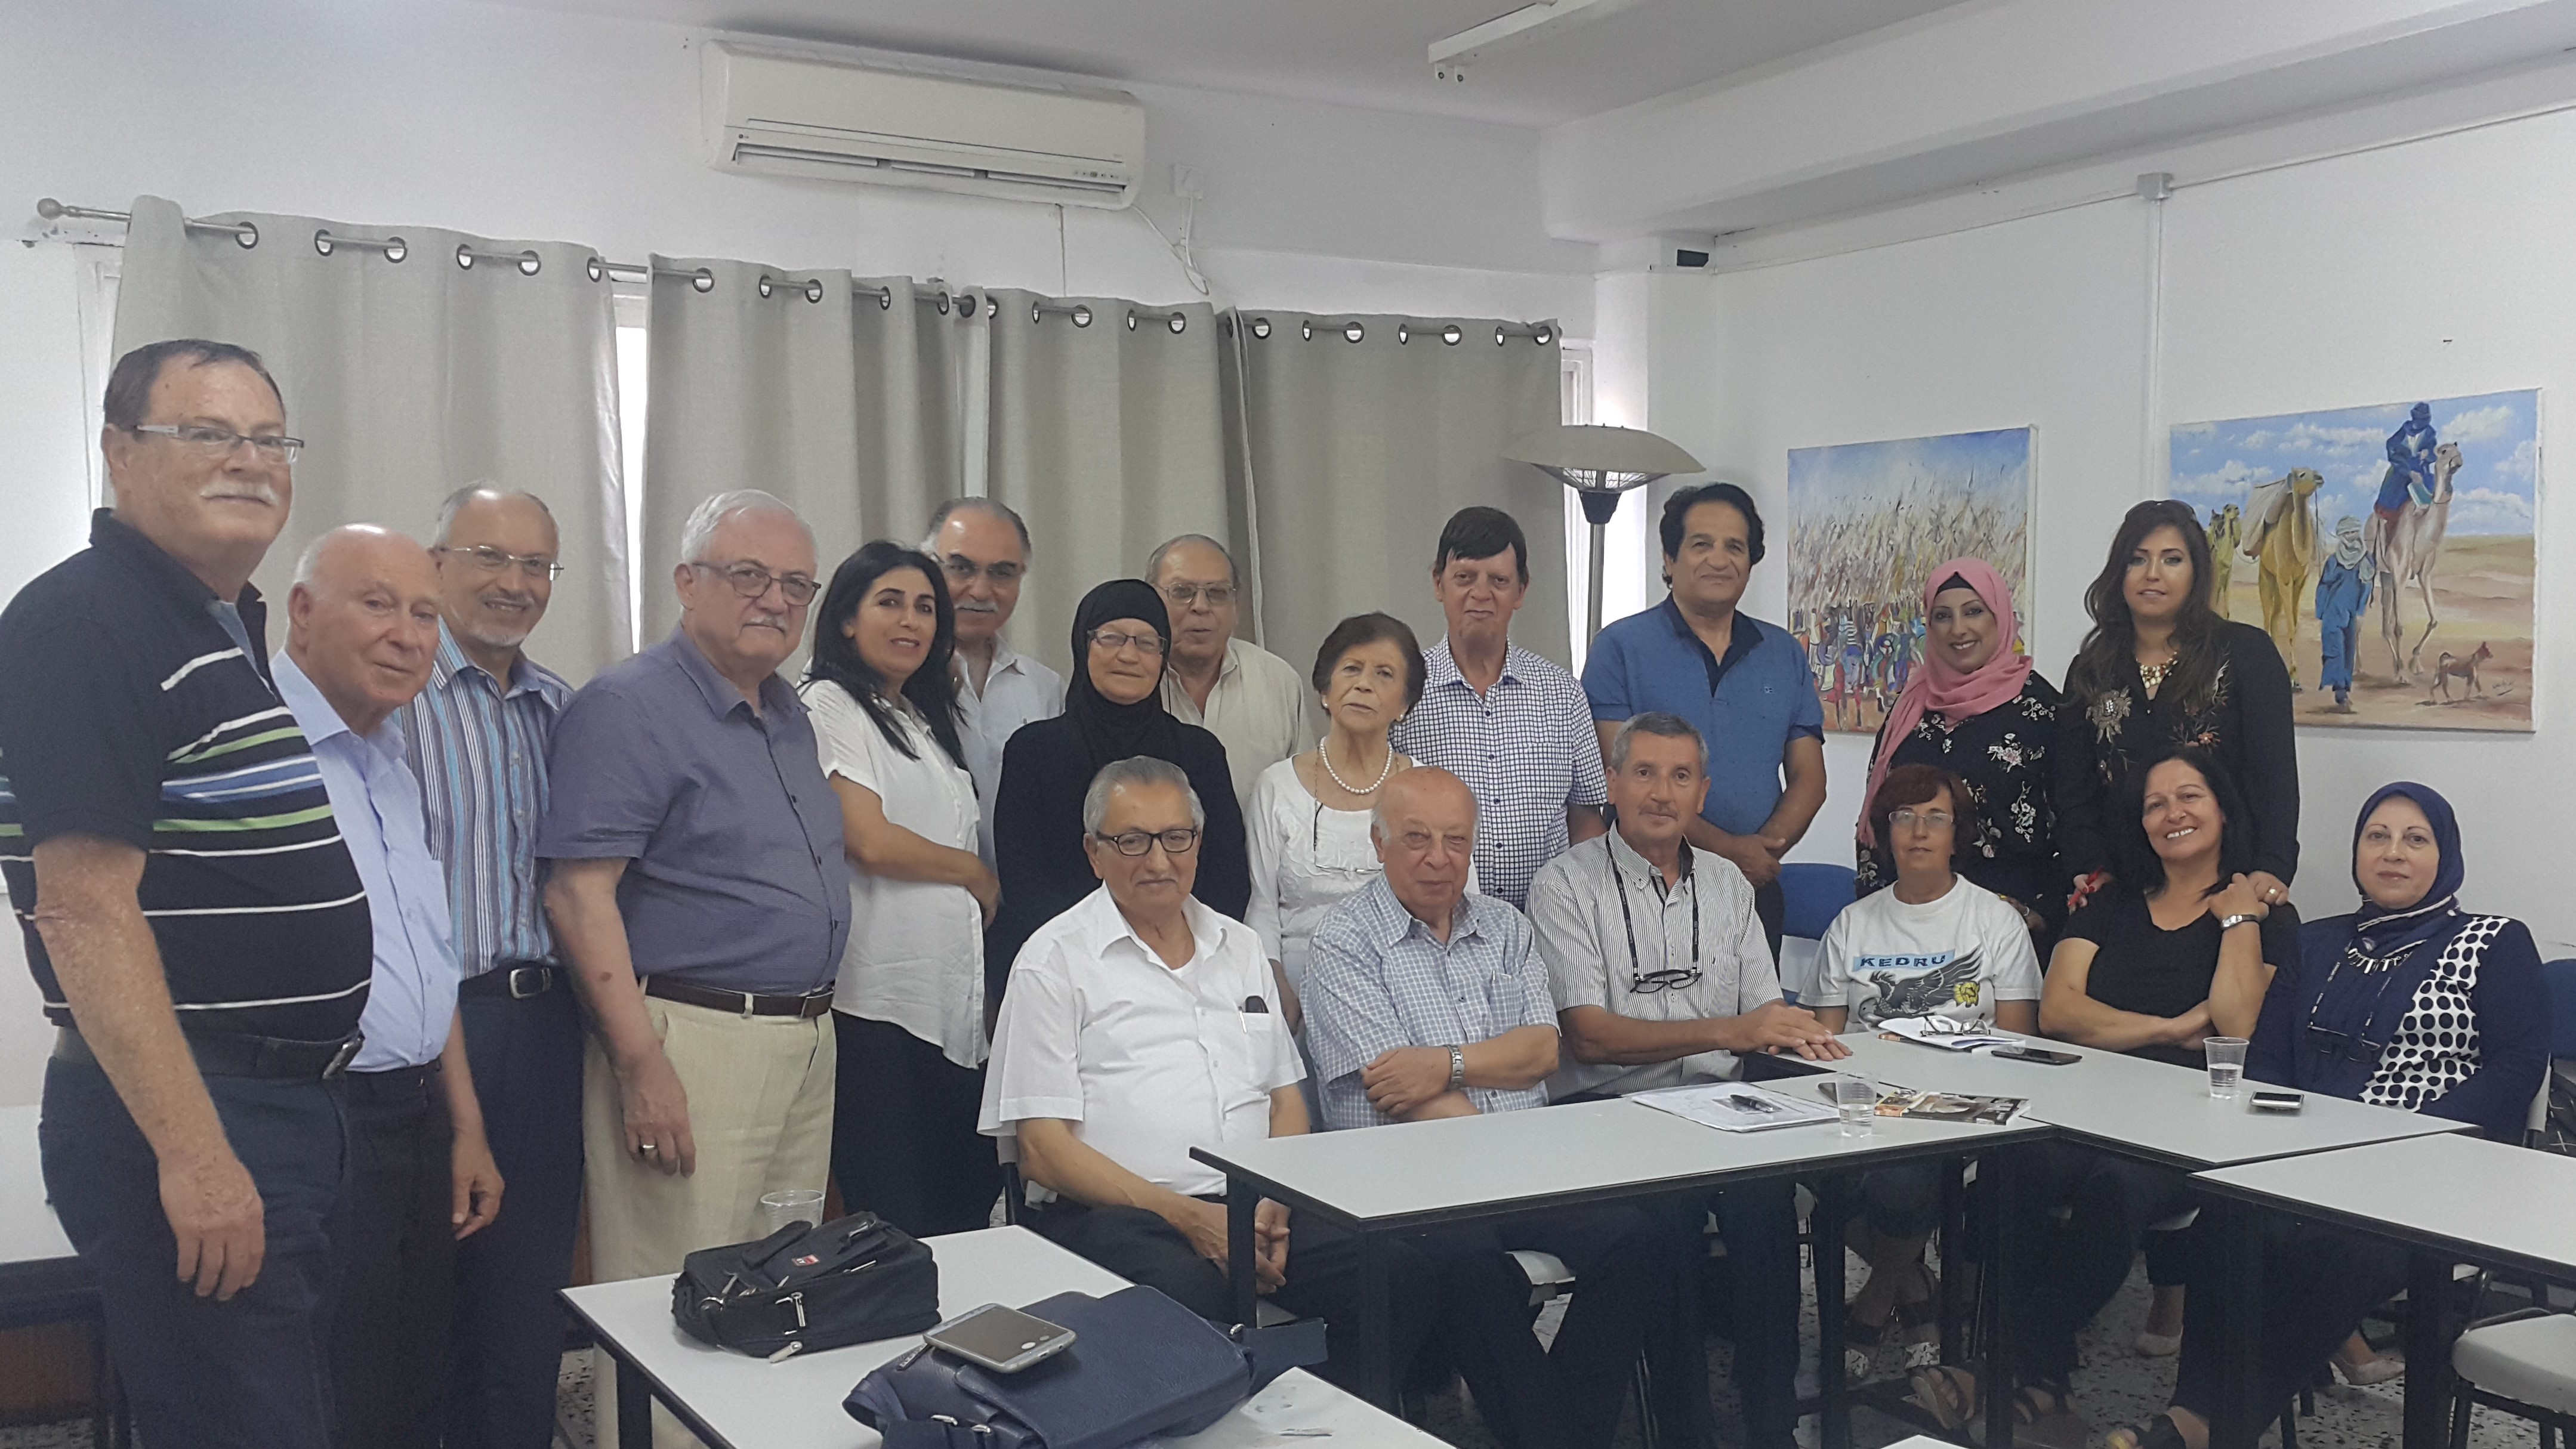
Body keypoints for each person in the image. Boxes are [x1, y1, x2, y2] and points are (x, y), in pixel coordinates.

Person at [0, 340, 371, 1449]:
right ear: (120, 453)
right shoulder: (85, 620)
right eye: (207, 433)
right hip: (198, 1111)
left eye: (269, 438)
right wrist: (198, 1154)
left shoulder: (209, 618)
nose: (249, 460)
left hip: (280, 1105)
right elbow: (81, 907)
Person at [2103, 781, 2547, 1449]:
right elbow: (2270, 1063)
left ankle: (2202, 1429)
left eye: (2415, 839)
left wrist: (2410, 1137)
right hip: (2311, 1163)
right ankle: (2195, 1412)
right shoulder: (2317, 941)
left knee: (2335, 1247)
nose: (2393, 852)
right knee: (2228, 1215)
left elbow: (2516, 1070)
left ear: (2445, 854)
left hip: (2437, 1175)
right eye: (2377, 836)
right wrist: (2297, 1147)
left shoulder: (2495, 941)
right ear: (2356, 851)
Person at [539, 490, 849, 1449]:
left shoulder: (787, 711)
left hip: (802, 1037)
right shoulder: (629, 707)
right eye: (748, 575)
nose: (775, 600)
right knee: (671, 1293)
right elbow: (577, 896)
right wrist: (641, 1064)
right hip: (692, 1042)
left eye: (795, 584)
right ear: (686, 581)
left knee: (771, 1288)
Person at [978, 755, 1434, 1392]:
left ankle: (1322, 1424)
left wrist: (1273, 1204)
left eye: (1176, 837)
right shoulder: (1052, 960)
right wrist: (1190, 1218)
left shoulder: (1239, 947)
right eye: (1131, 841)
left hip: (1256, 1204)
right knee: (1189, 1295)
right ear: (1094, 853)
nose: (1158, 861)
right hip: (1118, 1212)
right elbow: (1042, 1151)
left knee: (1399, 1271)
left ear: (1197, 843)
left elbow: (1287, 1102)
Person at [1911, 747, 2294, 1436]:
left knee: (2113, 1190)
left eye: (2190, 796)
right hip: (2086, 1108)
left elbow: (2237, 1026)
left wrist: (2238, 919)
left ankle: (1996, 1368)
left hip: (2192, 1129)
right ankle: (2043, 1382)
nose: (2173, 813)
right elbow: (2060, 1010)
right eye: (2155, 803)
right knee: (2013, 1167)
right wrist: (2168, 1026)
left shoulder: (2264, 914)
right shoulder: (2110, 903)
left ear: (2223, 807)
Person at [1305, 768, 1668, 1449]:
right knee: (1469, 1266)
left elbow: (1541, 1051)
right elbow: (1395, 1091)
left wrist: (1443, 1063)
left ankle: (1562, 1433)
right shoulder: (1343, 941)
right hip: (1405, 1181)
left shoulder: (1505, 926)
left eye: (1455, 840)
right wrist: (1486, 1080)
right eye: (1417, 839)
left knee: (1634, 1237)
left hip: (1518, 1167)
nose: (1438, 858)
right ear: (1379, 844)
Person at [1529, 713, 1846, 1449]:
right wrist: (1730, 1031)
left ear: (1702, 792)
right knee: (1665, 1217)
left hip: (1721, 1104)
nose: (1661, 793)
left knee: (1766, 1199)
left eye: (1679, 776)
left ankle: (1772, 1424)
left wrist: (1805, 1037)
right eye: (1643, 773)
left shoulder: (1729, 883)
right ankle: (1685, 1430)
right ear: (1612, 783)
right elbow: (1590, 1035)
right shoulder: (1564, 883)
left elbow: (1764, 1014)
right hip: (1609, 1109)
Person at [273, 526, 502, 1449]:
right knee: (332, 1388)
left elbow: (424, 960)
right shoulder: (256, 751)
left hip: (413, 1111)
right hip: (310, 1117)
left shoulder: (391, 761)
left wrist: (465, 1125)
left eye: (424, 614)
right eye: (378, 605)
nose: (409, 636)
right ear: (302, 611)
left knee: (413, 1375)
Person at [403, 485, 585, 1449]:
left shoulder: (562, 709)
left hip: (547, 1025)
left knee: (526, 1297)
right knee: (418, 1297)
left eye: (536, 564)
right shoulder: (393, 700)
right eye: (490, 556)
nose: (515, 582)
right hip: (424, 1032)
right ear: (436, 562)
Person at [801, 541, 1001, 1238]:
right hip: (877, 1008)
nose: (911, 620)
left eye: (924, 607)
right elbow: (869, 839)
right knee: (895, 1226)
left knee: (963, 1216)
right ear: (846, 617)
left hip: (947, 1007)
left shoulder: (917, 715)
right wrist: (974, 872)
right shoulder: (828, 703)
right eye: (889, 602)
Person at [1812, 764, 2041, 1358]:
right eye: (1903, 817)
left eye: (1935, 817)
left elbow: (2018, 1045)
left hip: (1964, 1108)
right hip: (1865, 1106)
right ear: (1885, 831)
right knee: (1804, 1174)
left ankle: (1874, 1302)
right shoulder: (1852, 924)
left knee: (1902, 1182)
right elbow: (1824, 1047)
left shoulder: (1994, 920)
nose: (1918, 831)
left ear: (1956, 833)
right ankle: (1914, 1288)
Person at [1585, 484, 1825, 955]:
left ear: (1751, 562)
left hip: (1751, 890)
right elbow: (1624, 779)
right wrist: (1728, 852)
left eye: (1734, 547)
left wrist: (1759, 853)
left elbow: (1809, 778)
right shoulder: (1619, 648)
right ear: (1669, 558)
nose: (1719, 559)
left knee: (1753, 1006)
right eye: (1701, 544)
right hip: (1645, 888)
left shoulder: (1783, 653)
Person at [987, 579, 1251, 994]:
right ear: (1083, 645)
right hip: (1068, 973)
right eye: (1111, 638)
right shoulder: (1034, 751)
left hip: (1186, 970)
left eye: (1147, 643)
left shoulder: (1199, 753)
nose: (1129, 655)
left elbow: (1226, 879)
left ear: (1163, 657)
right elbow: (1024, 881)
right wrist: (1098, 959)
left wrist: (1173, 955)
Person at [2057, 500, 2297, 916]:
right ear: (2119, 573)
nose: (2152, 574)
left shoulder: (2246, 654)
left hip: (2228, 886)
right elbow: (2073, 790)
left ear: (2196, 572)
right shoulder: (2091, 669)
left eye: (2172, 560)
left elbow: (2274, 776)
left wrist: (2272, 866)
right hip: (2120, 889)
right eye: (2137, 560)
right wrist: (2090, 868)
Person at [1390, 506, 1607, 910]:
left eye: (1499, 580)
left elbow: (1586, 818)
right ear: (1438, 583)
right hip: (1434, 922)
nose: (1481, 593)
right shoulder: (1401, 692)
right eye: (1464, 578)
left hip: (1549, 923)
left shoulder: (1563, 694)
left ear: (1521, 591)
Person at [1852, 558, 2066, 935]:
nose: (1958, 629)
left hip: (2010, 926)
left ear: (2000, 617)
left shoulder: (2044, 711)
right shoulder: (1909, 707)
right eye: (1942, 616)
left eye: (1973, 612)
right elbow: (1881, 814)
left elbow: (2074, 821)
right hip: (1910, 924)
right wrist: (1872, 910)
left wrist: (2041, 913)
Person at [1245, 612, 1432, 1027]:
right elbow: (1261, 906)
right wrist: (1273, 981)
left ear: (1404, 705)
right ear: (1325, 690)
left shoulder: (1427, 790)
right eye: (1351, 668)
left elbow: (1457, 904)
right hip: (1297, 1001)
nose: (1363, 684)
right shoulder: (1276, 785)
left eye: (1384, 674)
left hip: (1405, 998)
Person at [924, 498, 1063, 867]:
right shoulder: (895, 680)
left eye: (1002, 573)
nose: (981, 591)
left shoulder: (1045, 688)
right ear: (928, 567)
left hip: (1022, 896)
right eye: (961, 568)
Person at [1151, 533, 1317, 808]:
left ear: (1236, 607)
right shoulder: (1130, 680)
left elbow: (1305, 798)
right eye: (1182, 592)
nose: (1201, 607)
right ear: (1150, 600)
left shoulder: (1277, 680)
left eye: (1217, 593)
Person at [2242, 468, 2322, 691]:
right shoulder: (2285, 493)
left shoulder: (2303, 509)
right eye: (2305, 477)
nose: (2315, 479)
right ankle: (2279, 667)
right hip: (2274, 566)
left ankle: (2292, 668)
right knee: (2274, 617)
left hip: (2299, 555)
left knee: (2311, 528)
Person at [2315, 516, 2374, 714]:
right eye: (2346, 533)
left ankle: (2345, 689)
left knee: (2349, 653)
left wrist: (2360, 612)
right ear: (2341, 535)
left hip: (2351, 614)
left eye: (2353, 532)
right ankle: (2340, 692)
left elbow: (2366, 587)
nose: (2350, 536)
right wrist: (2321, 612)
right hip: (2332, 613)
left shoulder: (2366, 560)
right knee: (2335, 651)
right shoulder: (2333, 561)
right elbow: (2323, 586)